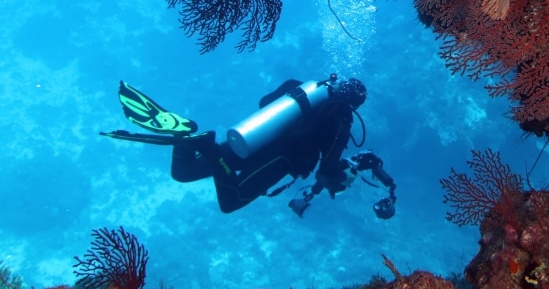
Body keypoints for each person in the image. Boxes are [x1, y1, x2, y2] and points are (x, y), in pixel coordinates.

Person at [100, 74, 396, 218]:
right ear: (355, 104)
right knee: (232, 202)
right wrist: (338, 175)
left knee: (184, 173)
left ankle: (186, 136)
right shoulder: (341, 120)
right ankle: (207, 146)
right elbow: (328, 166)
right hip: (278, 161)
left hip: (251, 140)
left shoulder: (304, 89)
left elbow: (265, 104)